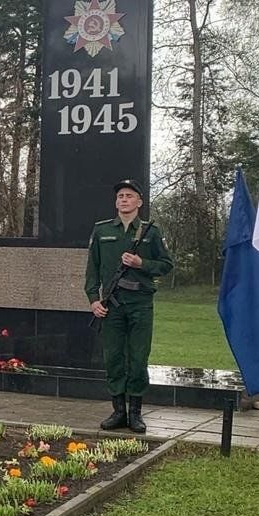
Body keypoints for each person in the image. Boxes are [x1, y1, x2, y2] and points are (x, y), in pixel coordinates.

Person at [84, 179, 174, 434]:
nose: (124, 199)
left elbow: (166, 264)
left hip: (140, 304)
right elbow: (92, 271)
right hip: (111, 305)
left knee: (137, 358)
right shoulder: (102, 231)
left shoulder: (150, 231)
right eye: (120, 196)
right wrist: (93, 300)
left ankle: (135, 413)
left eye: (129, 195)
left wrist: (141, 264)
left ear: (139, 202)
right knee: (113, 358)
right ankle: (118, 411)